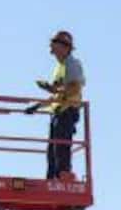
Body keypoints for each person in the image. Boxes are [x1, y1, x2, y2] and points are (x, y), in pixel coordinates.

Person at [27, 30, 86, 180]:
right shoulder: (60, 67)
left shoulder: (71, 64)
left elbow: (75, 88)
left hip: (67, 111)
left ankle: (63, 176)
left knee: (60, 148)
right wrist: (38, 106)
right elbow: (57, 95)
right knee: (53, 150)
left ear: (65, 47)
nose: (51, 49)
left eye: (54, 45)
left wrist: (53, 89)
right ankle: (53, 178)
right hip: (59, 112)